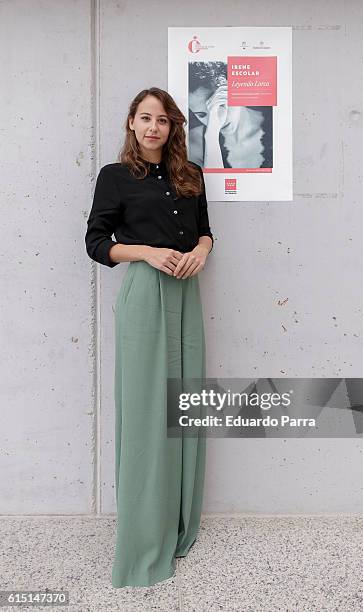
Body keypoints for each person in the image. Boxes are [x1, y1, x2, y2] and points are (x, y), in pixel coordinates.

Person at [84, 87, 214, 588]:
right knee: (144, 412)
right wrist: (145, 253)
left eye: (162, 119)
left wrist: (202, 250)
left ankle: (179, 525)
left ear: (172, 127)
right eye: (145, 118)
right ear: (131, 124)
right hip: (145, 294)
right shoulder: (114, 178)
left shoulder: (190, 175)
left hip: (187, 292)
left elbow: (204, 229)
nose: (154, 127)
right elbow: (97, 242)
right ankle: (142, 538)